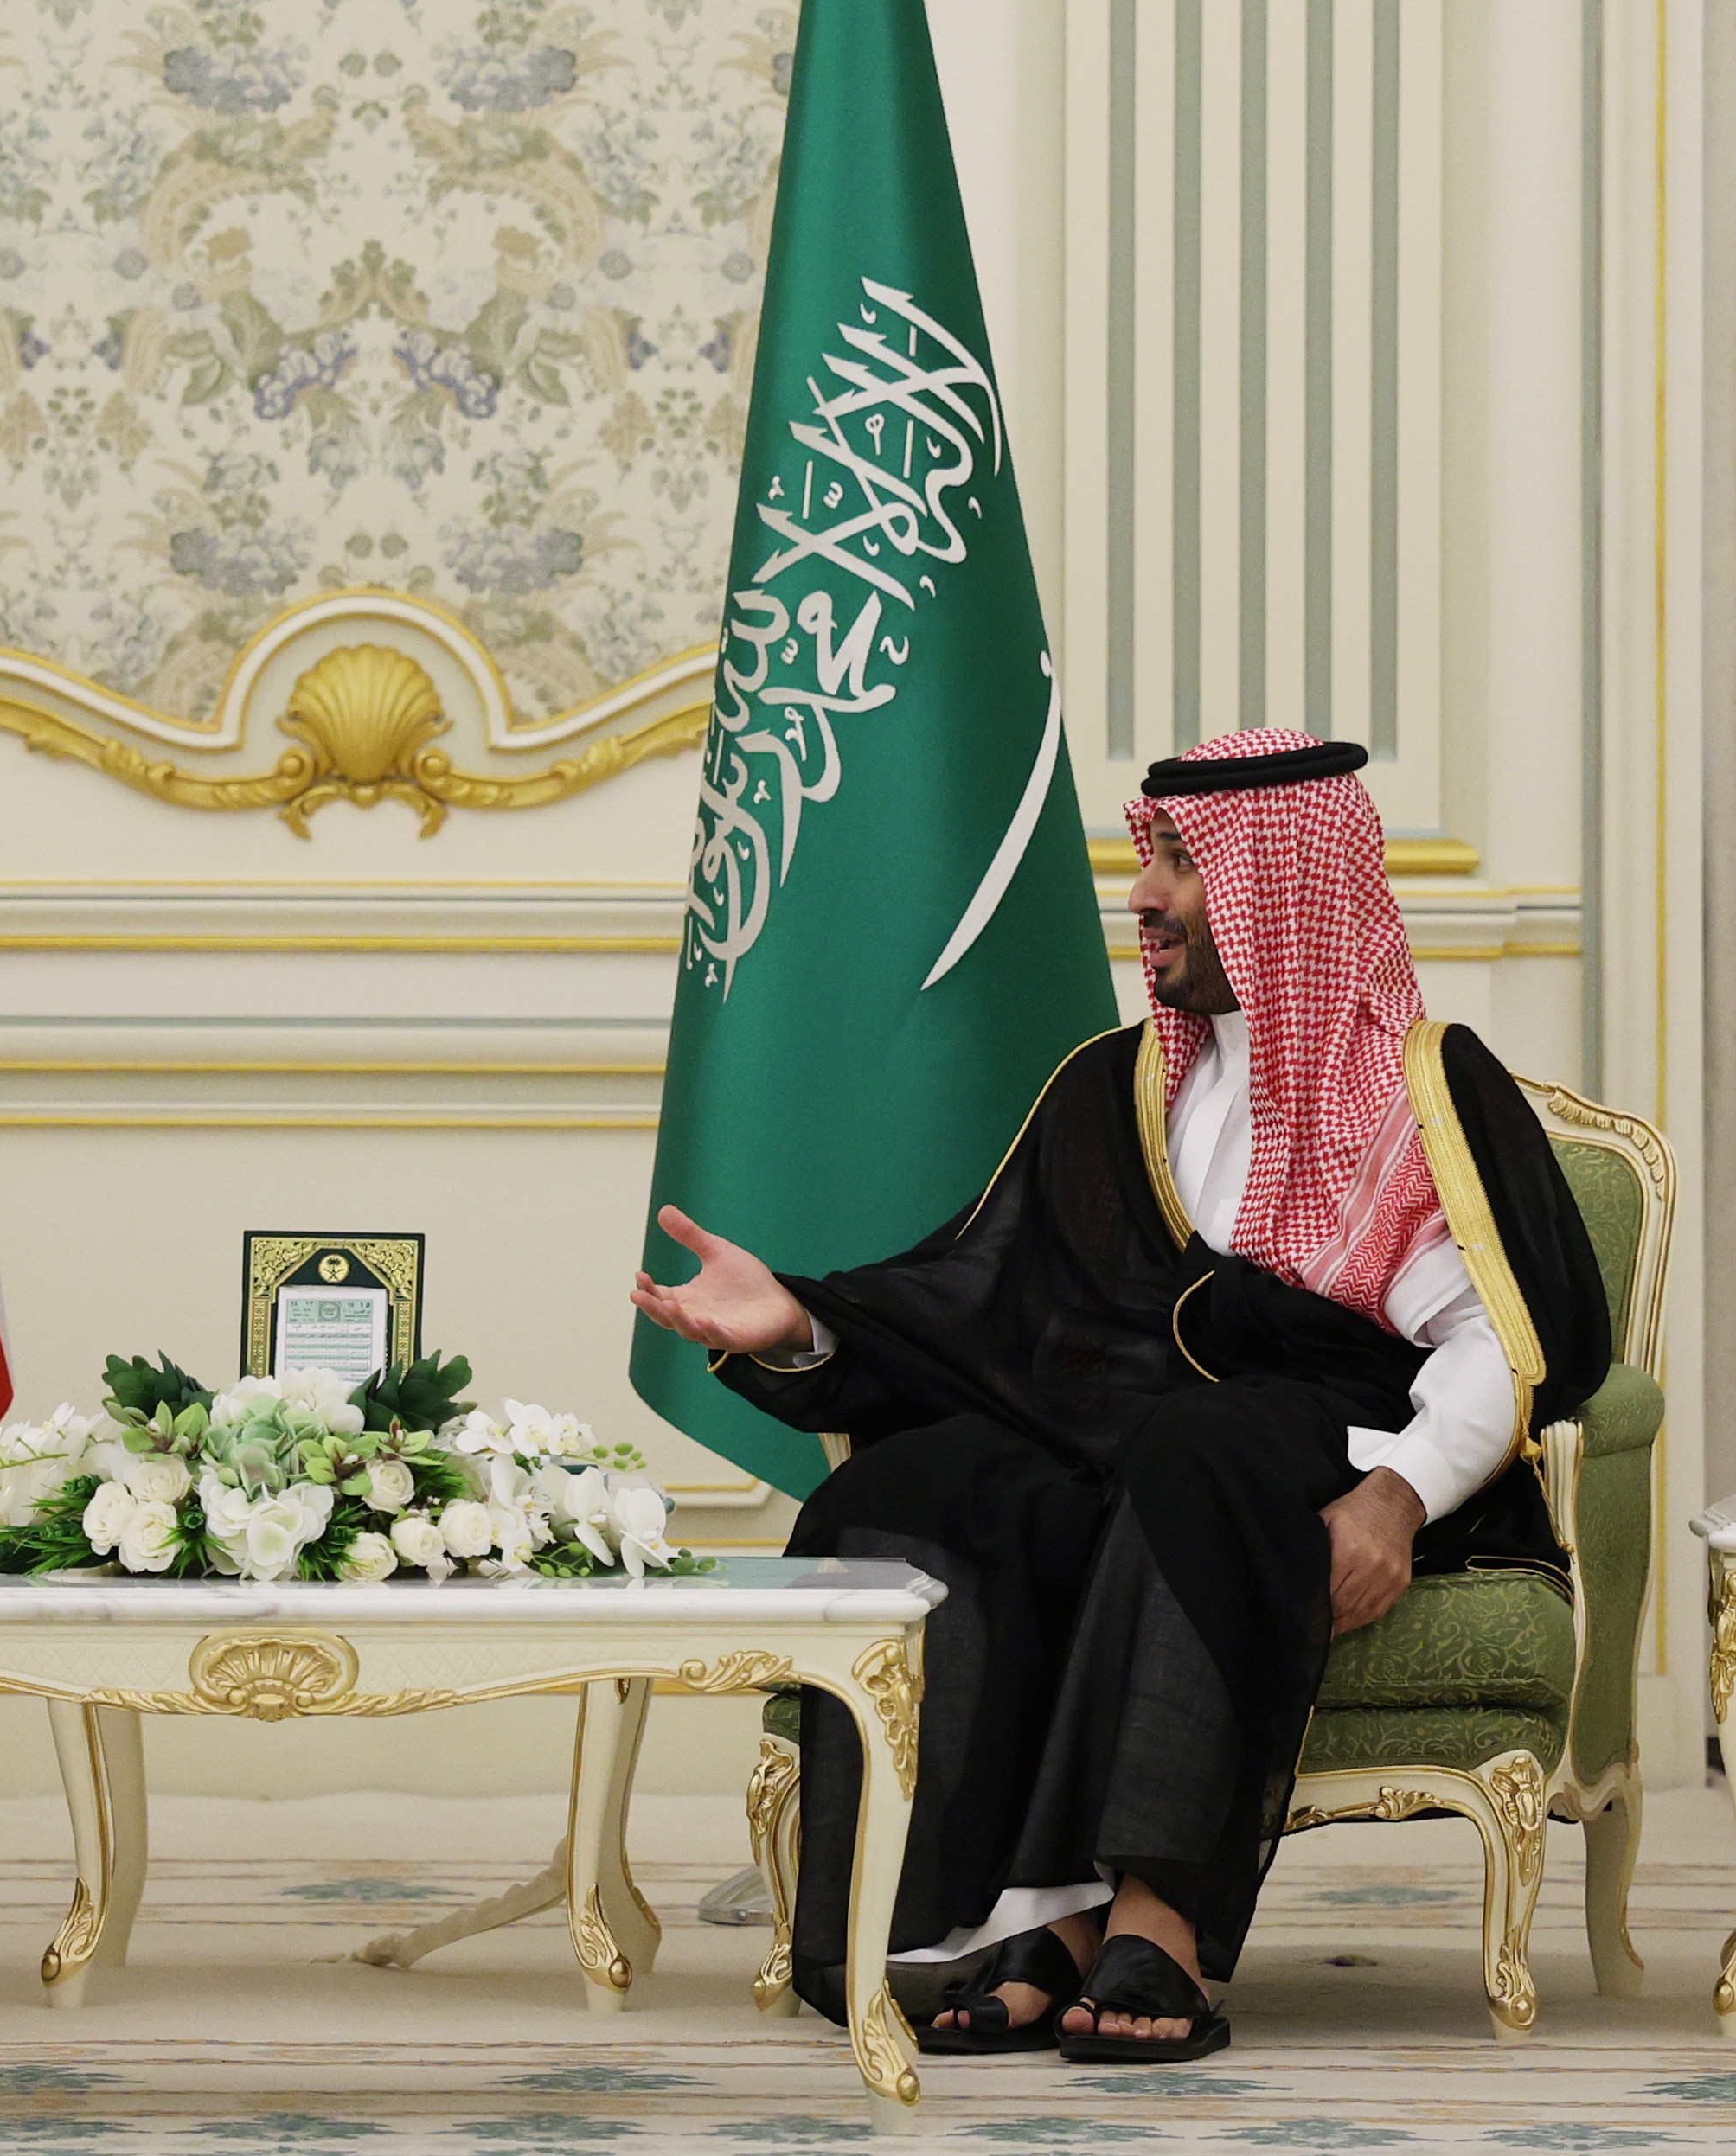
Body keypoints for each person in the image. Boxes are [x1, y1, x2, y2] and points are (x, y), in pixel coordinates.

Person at [630, 729, 1607, 2063]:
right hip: (1133, 1438)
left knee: (1194, 1447)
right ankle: (1005, 1912)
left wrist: (1398, 1492)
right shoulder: (1115, 1087)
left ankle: (1162, 1919)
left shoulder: (1427, 1088)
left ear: (1282, 883)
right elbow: (992, 1298)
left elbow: (1501, 1338)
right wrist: (804, 1319)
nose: (1142, 894)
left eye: (1181, 863)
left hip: (1338, 1445)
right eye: (1149, 856)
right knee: (921, 1484)